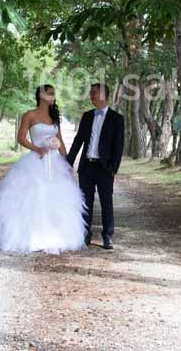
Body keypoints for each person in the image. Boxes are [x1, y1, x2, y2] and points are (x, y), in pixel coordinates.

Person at [0, 85, 86, 254]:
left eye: (54, 93)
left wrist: (67, 162)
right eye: (50, 93)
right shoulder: (30, 115)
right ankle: (28, 236)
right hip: (36, 159)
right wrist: (37, 148)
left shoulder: (54, 117)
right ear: (41, 95)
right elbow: (21, 137)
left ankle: (55, 236)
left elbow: (60, 140)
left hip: (54, 162)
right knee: (34, 195)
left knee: (56, 197)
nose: (53, 96)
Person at [67, 83, 125, 250]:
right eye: (91, 92)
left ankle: (107, 235)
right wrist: (68, 163)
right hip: (86, 167)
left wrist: (114, 168)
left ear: (104, 95)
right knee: (86, 202)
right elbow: (78, 141)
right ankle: (85, 234)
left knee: (107, 202)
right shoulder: (86, 116)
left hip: (105, 168)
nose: (91, 95)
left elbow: (118, 146)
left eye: (94, 92)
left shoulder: (117, 119)